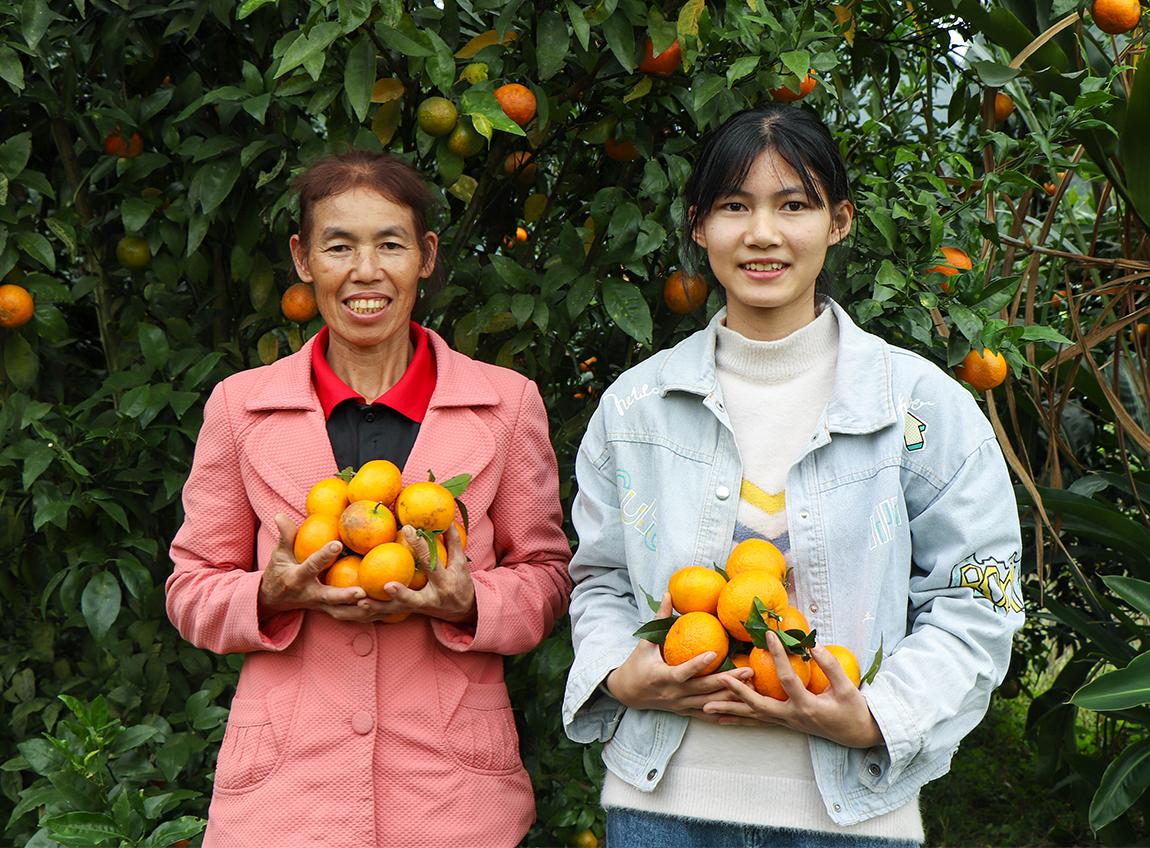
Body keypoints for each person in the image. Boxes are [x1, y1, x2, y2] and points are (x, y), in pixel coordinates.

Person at [562, 104, 1023, 847]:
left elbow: (979, 591)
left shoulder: (919, 407)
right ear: (698, 226)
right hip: (661, 814)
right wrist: (621, 671)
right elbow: (601, 578)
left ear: (838, 221)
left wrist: (879, 715)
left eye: (794, 205)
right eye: (735, 206)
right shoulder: (636, 408)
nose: (763, 234)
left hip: (852, 819)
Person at [166, 150, 571, 847]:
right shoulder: (240, 408)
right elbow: (190, 587)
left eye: (390, 244)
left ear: (426, 256)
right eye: (338, 245)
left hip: (451, 794)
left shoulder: (506, 405)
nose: (365, 271)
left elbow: (549, 576)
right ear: (302, 259)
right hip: (286, 797)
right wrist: (271, 593)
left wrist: (471, 601)